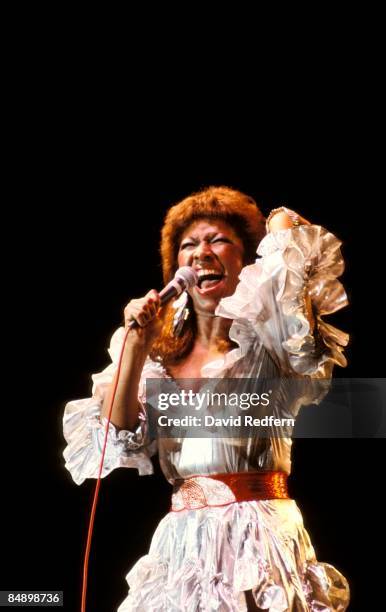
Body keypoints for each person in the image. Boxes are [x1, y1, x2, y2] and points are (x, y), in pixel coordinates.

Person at [63, 186, 350, 611]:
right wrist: (137, 348)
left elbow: (295, 245)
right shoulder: (157, 356)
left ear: (247, 262)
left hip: (260, 533)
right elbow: (120, 436)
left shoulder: (268, 334)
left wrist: (270, 224)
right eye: (188, 245)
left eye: (219, 240)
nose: (201, 253)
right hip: (184, 542)